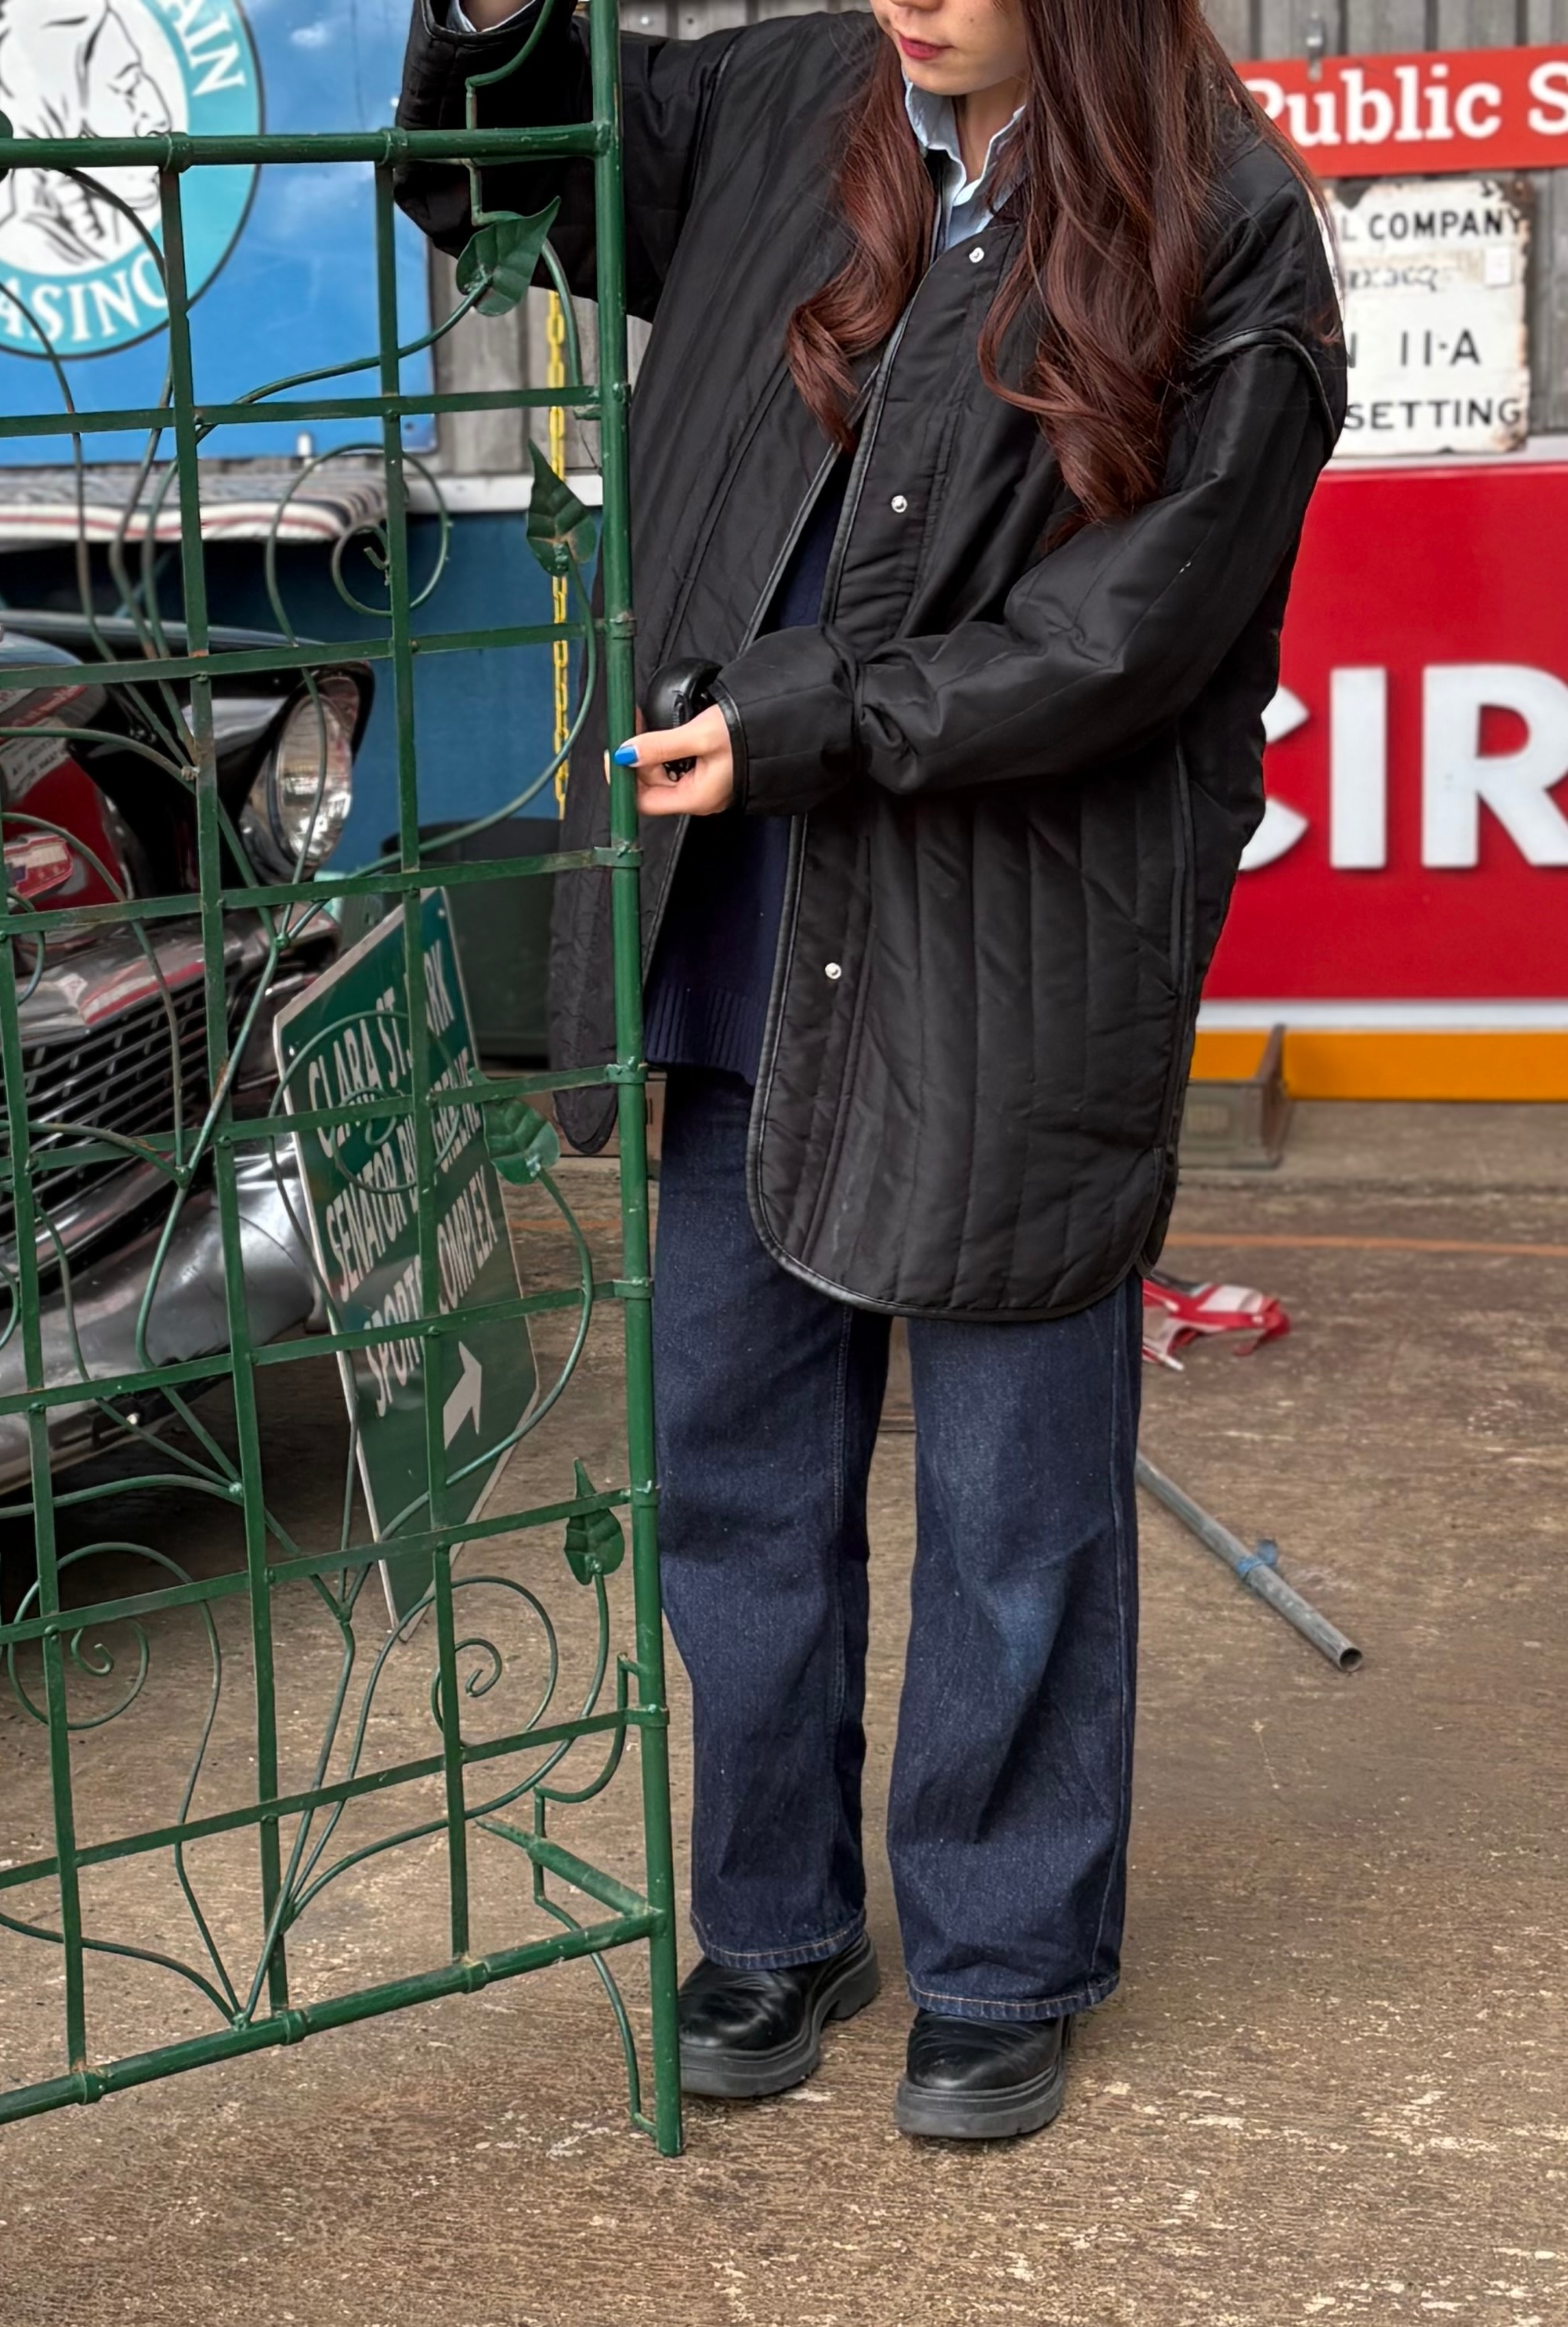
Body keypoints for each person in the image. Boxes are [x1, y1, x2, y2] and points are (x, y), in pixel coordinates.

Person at [398, 0, 1341, 2140]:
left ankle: (1004, 1956)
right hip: (736, 915)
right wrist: (482, 18)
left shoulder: (1231, 215)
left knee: (1015, 1505)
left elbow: (1140, 628)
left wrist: (829, 718)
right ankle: (774, 1930)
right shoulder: (779, 94)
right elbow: (506, 167)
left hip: (1011, 949)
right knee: (732, 1472)